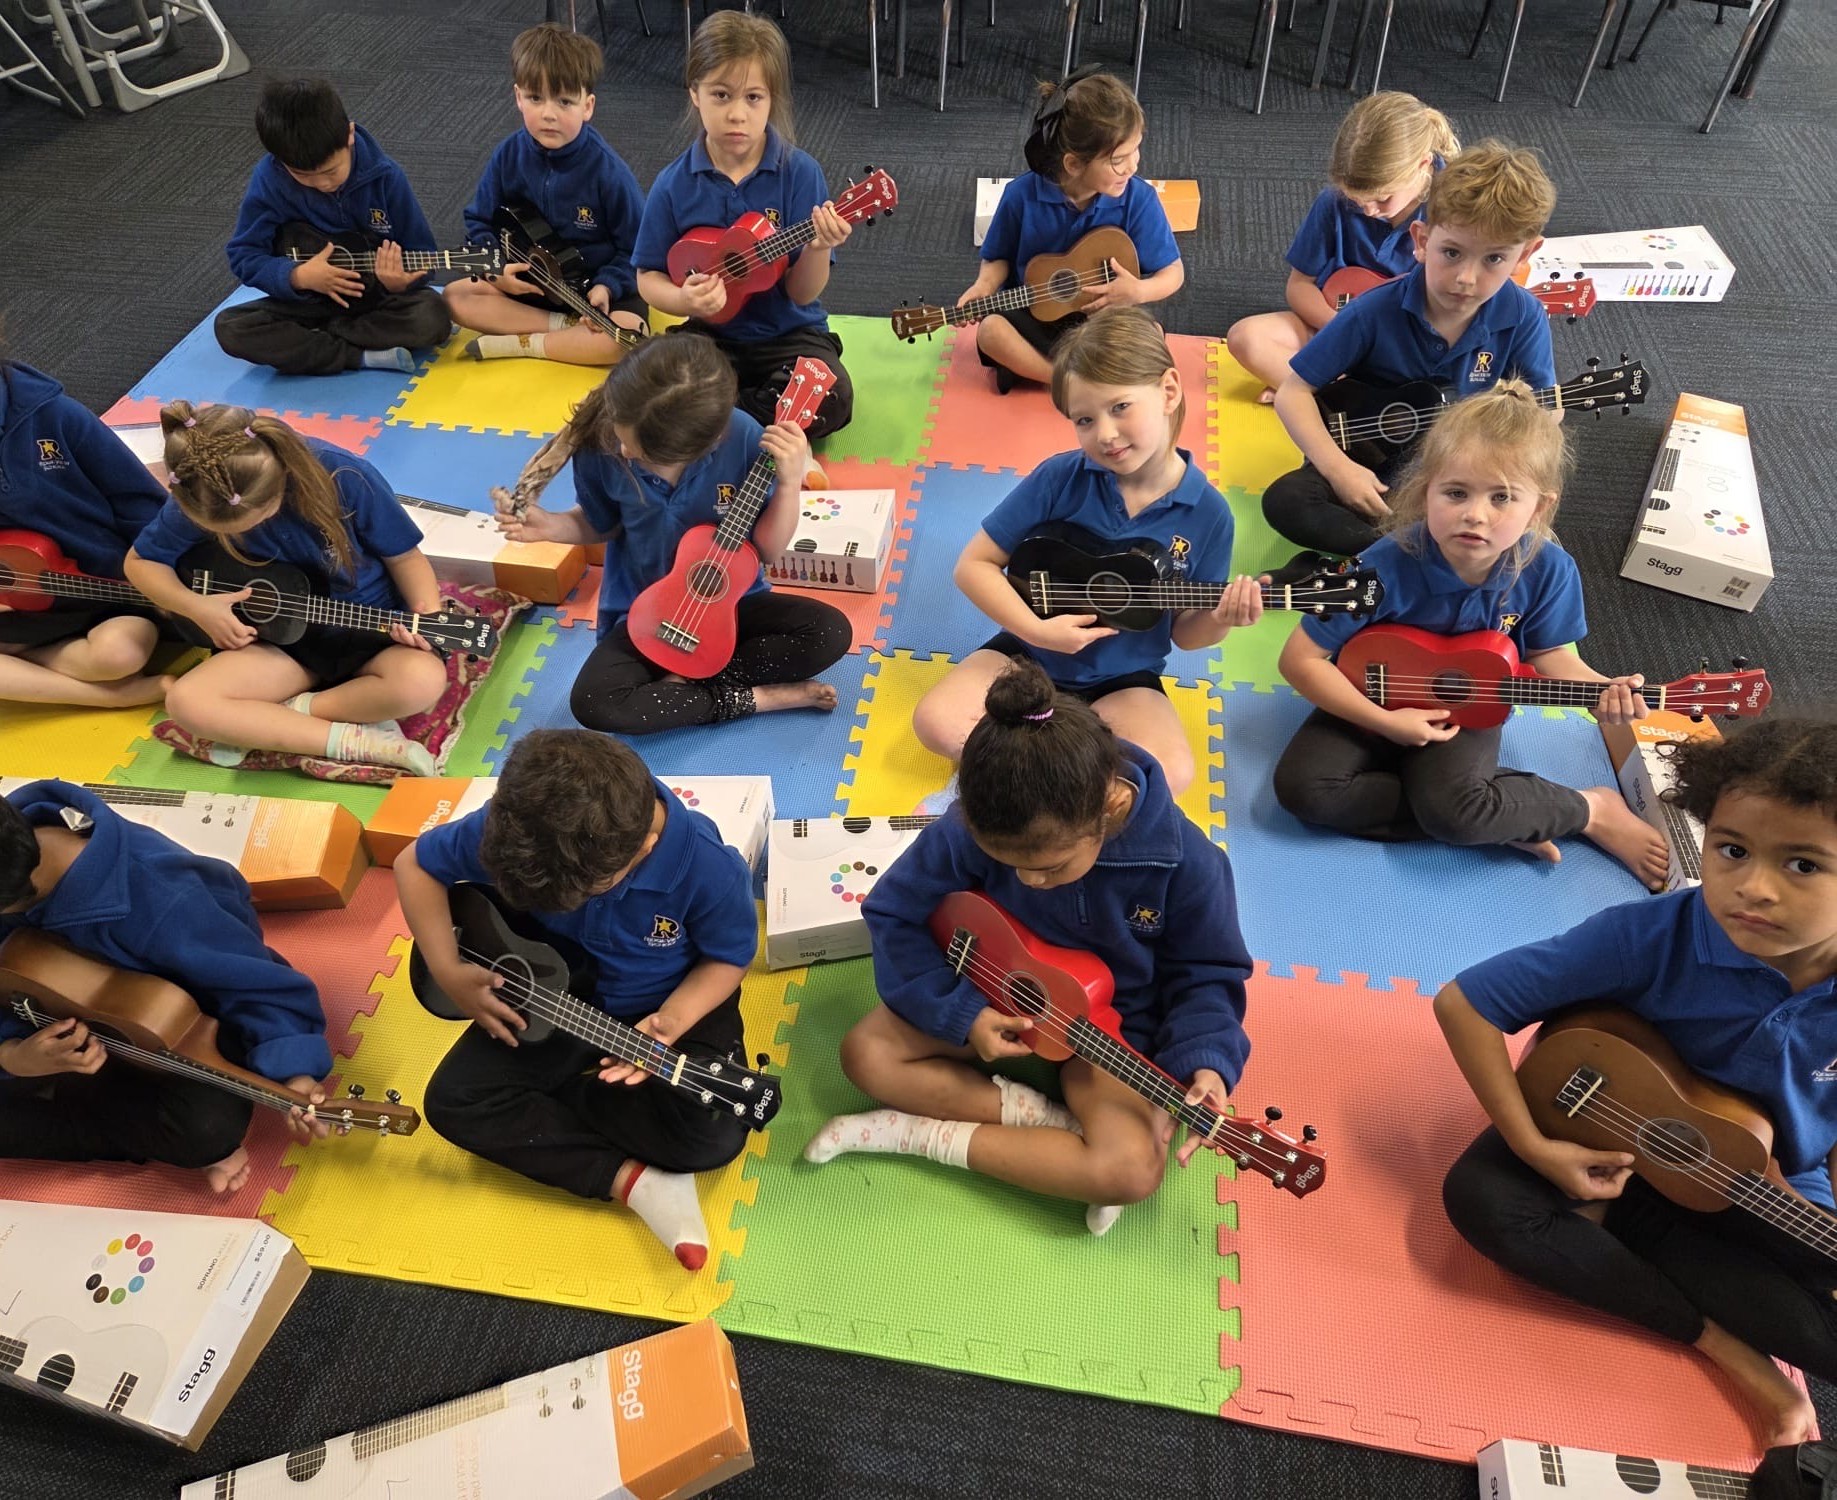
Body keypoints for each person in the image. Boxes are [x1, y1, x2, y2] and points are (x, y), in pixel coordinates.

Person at [1436, 718, 1837, 1447]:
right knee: (1484, 1203)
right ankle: (1727, 1349)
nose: (1753, 888)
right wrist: (1532, 1148)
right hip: (1604, 1119)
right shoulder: (1649, 935)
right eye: (1732, 850)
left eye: (1803, 865)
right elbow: (1466, 1003)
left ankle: (1623, 1234)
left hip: (1761, 1177)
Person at [807, 658, 1254, 1238]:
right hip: (990, 995)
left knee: (1131, 1169)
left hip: (1107, 1037)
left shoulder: (1189, 864)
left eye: (1050, 868)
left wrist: (1206, 1063)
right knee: (865, 1055)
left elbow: (1207, 973)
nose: (1029, 881)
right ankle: (1016, 1127)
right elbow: (895, 912)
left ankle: (934, 1132)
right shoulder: (975, 823)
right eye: (1008, 865)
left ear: (1109, 808)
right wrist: (963, 1014)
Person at [1272, 381, 1669, 889]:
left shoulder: (1549, 570)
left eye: (1502, 497)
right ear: (1426, 489)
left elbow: (1550, 654)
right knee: (1304, 791)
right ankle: (1500, 814)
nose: (1475, 514)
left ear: (1539, 507)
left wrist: (1602, 691)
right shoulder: (1380, 566)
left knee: (1453, 810)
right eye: (1456, 493)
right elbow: (1300, 660)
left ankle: (1585, 809)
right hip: (1369, 695)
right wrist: (1387, 723)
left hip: (1469, 707)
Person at [396, 729, 758, 1270]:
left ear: (643, 848)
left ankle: (556, 1100)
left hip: (674, 1000)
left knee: (714, 1132)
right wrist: (448, 969)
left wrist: (671, 1021)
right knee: (452, 1103)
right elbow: (414, 864)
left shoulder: (709, 869)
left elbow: (727, 959)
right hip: (557, 991)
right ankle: (633, 1181)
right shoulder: (520, 827)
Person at [911, 307, 1255, 795]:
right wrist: (1037, 630)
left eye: (1120, 407)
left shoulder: (1210, 514)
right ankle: (1063, 777)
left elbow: (1186, 634)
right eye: (1085, 420)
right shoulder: (1060, 477)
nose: (1105, 435)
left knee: (1169, 776)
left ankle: (1017, 768)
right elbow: (974, 566)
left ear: (1169, 391)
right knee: (936, 722)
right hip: (1027, 655)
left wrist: (1222, 618)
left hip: (1124, 679)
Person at [496, 332, 850, 734]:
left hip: (732, 604)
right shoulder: (601, 444)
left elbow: (766, 551)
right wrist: (550, 526)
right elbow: (601, 523)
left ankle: (685, 688)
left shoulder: (745, 438)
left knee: (830, 632)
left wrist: (787, 484)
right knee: (594, 703)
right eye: (622, 438)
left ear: (707, 444)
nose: (625, 452)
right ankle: (757, 698)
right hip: (644, 614)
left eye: (640, 451)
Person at [0, 781, 332, 1195]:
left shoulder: (164, 900)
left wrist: (294, 1071)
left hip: (184, 1024)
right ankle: (93, 1108)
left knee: (205, 1128)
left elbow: (257, 984)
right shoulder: (14, 870)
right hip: (64, 1018)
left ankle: (119, 1120)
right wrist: (13, 1055)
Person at [1263, 139, 1557, 575]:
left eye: (1494, 259)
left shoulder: (1523, 315)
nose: (1466, 278)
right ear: (1422, 240)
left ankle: (1382, 559)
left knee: (1529, 534)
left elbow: (1546, 410)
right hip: (1365, 459)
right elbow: (1293, 392)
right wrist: (1340, 470)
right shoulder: (1373, 310)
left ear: (1526, 254)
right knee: (1286, 501)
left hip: (1454, 476)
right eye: (1451, 253)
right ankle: (1409, 557)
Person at [123, 401, 448, 775]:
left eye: (256, 520)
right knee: (186, 702)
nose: (247, 532)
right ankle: (363, 743)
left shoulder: (343, 474)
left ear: (280, 481)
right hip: (280, 641)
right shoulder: (201, 490)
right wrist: (196, 607)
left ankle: (288, 715)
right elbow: (140, 563)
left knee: (420, 683)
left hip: (369, 624)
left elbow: (405, 558)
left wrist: (427, 619)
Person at [633, 12, 854, 438]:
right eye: (721, 95)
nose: (737, 114)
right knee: (648, 381)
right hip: (711, 336)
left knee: (834, 394)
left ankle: (721, 422)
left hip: (790, 334)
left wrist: (818, 246)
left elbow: (802, 293)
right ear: (694, 93)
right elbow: (647, 276)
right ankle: (767, 424)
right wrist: (683, 299)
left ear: (772, 99)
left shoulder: (799, 173)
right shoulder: (675, 183)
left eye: (753, 97)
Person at [965, 66, 1183, 395]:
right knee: (990, 331)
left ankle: (1064, 372)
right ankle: (1064, 379)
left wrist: (1138, 291)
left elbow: (1173, 273)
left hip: (1101, 317)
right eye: (1118, 159)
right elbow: (999, 257)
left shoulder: (1138, 199)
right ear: (1073, 164)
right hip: (1034, 313)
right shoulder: (1020, 196)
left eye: (1136, 149)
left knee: (1150, 334)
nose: (1133, 165)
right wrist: (984, 285)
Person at [1226, 91, 1458, 400]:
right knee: (1244, 338)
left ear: (1423, 165)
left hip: (1407, 346)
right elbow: (1299, 286)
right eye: (1356, 199)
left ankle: (1316, 394)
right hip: (1334, 327)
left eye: (1382, 198)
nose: (1368, 210)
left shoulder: (1453, 210)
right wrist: (1345, 330)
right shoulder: (1333, 202)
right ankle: (1336, 397)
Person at [216, 77, 451, 378]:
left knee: (432, 317)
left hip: (374, 300)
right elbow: (244, 255)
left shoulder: (386, 177)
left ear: (349, 135)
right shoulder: (270, 180)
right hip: (308, 303)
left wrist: (399, 283)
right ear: (280, 161)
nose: (322, 184)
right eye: (303, 176)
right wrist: (298, 276)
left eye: (331, 171)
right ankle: (358, 356)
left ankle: (317, 341)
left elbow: (423, 253)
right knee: (230, 328)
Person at [448, 24, 647, 366]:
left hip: (595, 294)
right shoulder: (507, 155)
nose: (548, 114)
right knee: (454, 297)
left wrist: (607, 286)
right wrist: (498, 272)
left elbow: (638, 250)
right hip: (530, 287)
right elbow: (478, 221)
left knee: (626, 337)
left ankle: (524, 344)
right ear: (518, 97)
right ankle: (564, 332)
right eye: (535, 98)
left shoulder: (609, 172)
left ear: (588, 106)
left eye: (564, 101)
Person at [0, 357, 169, 707]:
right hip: (17, 608)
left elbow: (139, 500)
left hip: (107, 591)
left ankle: (26, 668)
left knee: (119, 655)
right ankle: (106, 698)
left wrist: (158, 574)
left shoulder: (55, 414)